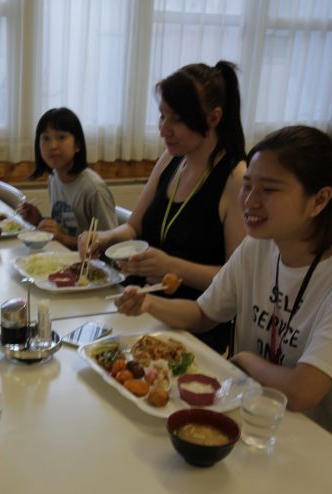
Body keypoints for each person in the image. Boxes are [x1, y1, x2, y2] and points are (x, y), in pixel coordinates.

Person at [115, 126, 332, 449]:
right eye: (247, 187)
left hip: (327, 445)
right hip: (252, 414)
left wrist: (243, 359)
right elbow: (204, 313)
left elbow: (302, 392)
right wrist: (148, 304)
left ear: (320, 200)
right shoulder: (258, 246)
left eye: (269, 190)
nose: (250, 202)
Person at [79, 62, 248, 353]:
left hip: (191, 329)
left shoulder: (235, 178)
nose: (163, 130)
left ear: (214, 117)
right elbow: (134, 226)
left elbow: (236, 280)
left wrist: (171, 266)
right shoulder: (172, 160)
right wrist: (105, 238)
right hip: (140, 307)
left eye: (177, 119)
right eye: (161, 116)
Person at [16, 107, 117, 249]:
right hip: (63, 257)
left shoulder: (93, 188)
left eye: (61, 137)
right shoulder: (54, 177)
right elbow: (64, 227)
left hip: (88, 267)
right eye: (46, 138)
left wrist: (62, 238)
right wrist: (38, 220)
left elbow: (110, 245)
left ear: (77, 145)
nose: (53, 146)